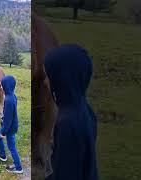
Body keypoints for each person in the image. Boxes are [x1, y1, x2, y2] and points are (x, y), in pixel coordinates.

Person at [44, 44, 98, 180]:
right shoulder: (85, 110)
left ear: (61, 80)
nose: (45, 82)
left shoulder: (67, 123)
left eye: (48, 76)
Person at [0, 75, 23, 174]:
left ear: (6, 86)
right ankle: (2, 155)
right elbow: (10, 114)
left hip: (9, 127)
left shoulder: (8, 100)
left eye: (2, 85)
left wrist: (4, 132)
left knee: (11, 147)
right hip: (8, 125)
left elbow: (9, 120)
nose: (1, 87)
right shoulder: (12, 96)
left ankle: (18, 167)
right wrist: (3, 117)